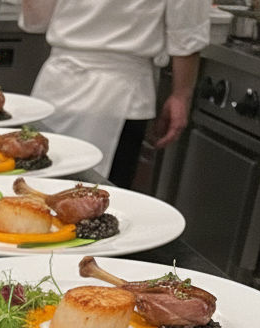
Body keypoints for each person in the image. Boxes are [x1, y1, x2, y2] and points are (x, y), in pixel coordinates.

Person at [20, 0, 210, 188]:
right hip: (119, 95)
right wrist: (181, 95)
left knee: (34, 190)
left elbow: (36, 20)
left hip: (57, 85)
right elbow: (187, 36)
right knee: (96, 204)